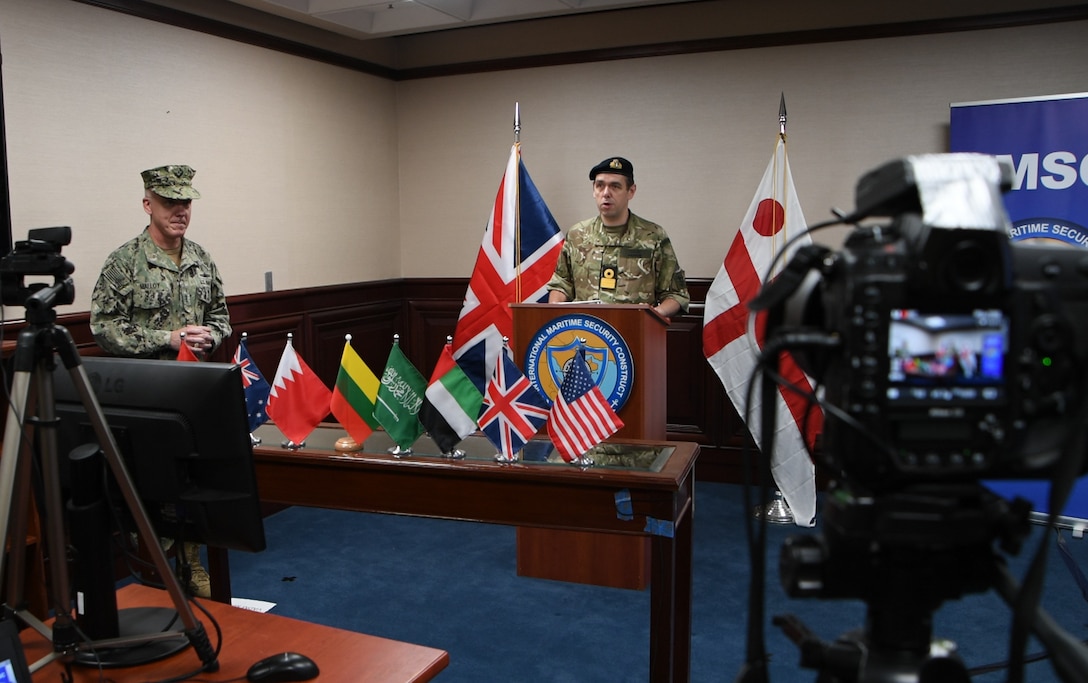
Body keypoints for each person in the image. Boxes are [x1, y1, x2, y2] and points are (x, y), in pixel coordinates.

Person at [90, 164, 231, 598]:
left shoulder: (202, 259)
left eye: (186, 202)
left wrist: (212, 334)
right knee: (151, 483)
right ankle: (156, 571)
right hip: (146, 395)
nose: (180, 211)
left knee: (193, 478)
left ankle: (193, 564)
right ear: (148, 204)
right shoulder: (123, 262)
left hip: (192, 392)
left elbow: (222, 316)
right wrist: (165, 338)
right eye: (170, 202)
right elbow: (103, 327)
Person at [547, 157, 689, 318]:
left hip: (634, 333)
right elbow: (561, 284)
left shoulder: (653, 236)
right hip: (586, 335)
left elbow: (676, 295)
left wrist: (653, 316)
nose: (606, 193)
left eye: (615, 186)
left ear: (631, 191)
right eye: (600, 185)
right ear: (593, 190)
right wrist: (556, 312)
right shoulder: (577, 234)